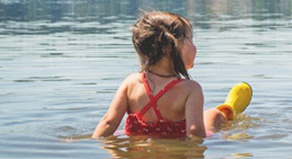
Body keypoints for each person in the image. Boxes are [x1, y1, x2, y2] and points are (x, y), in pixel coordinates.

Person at [93, 11, 252, 139]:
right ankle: (228, 110)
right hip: (180, 145)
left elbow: (108, 123)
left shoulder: (131, 83)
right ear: (172, 47)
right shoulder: (191, 89)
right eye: (191, 40)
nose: (195, 47)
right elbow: (195, 133)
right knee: (213, 115)